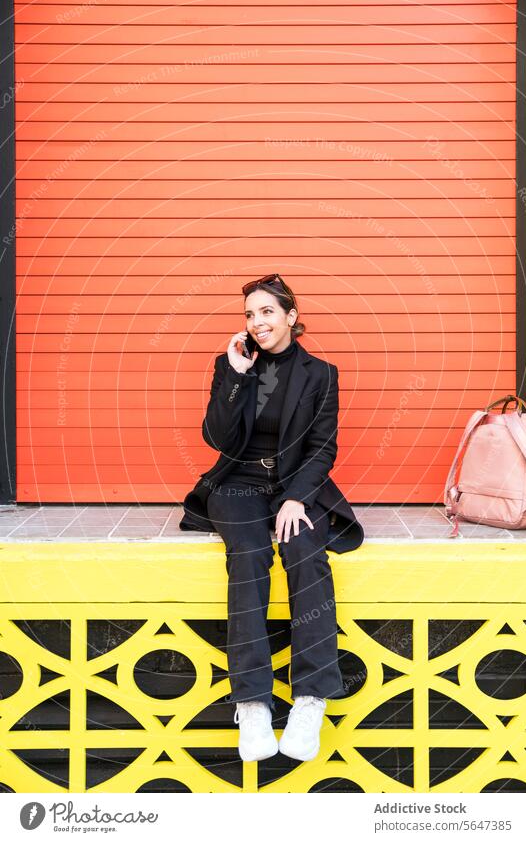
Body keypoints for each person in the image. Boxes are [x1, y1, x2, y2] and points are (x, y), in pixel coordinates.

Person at [179, 274, 364, 763]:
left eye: (266, 312)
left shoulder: (321, 374)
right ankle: (254, 701)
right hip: (237, 482)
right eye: (249, 314)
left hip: (295, 486)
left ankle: (310, 698)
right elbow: (216, 437)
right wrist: (237, 376)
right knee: (250, 553)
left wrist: (298, 498)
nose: (256, 323)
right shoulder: (233, 364)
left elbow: (323, 448)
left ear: (290, 316)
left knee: (304, 548)